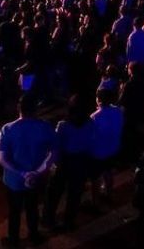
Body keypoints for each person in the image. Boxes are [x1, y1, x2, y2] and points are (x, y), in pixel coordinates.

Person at [0, 93, 56, 247]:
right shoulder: (45, 127)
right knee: (33, 208)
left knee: (14, 211)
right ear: (36, 109)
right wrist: (38, 171)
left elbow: (2, 158)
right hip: (37, 179)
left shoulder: (7, 129)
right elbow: (53, 153)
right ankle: (34, 235)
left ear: (19, 109)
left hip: (14, 181)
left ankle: (14, 239)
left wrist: (21, 173)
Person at [44, 95, 93, 231]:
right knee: (74, 194)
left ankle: (49, 220)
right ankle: (69, 221)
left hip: (65, 160)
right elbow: (91, 142)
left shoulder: (63, 125)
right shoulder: (90, 123)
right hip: (80, 160)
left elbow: (57, 145)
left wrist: (54, 163)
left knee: (54, 192)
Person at [89, 88, 124, 206]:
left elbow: (91, 136)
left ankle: (95, 202)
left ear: (98, 100)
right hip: (113, 148)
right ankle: (108, 194)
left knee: (95, 177)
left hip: (98, 151)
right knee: (108, 172)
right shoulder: (118, 111)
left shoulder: (94, 117)